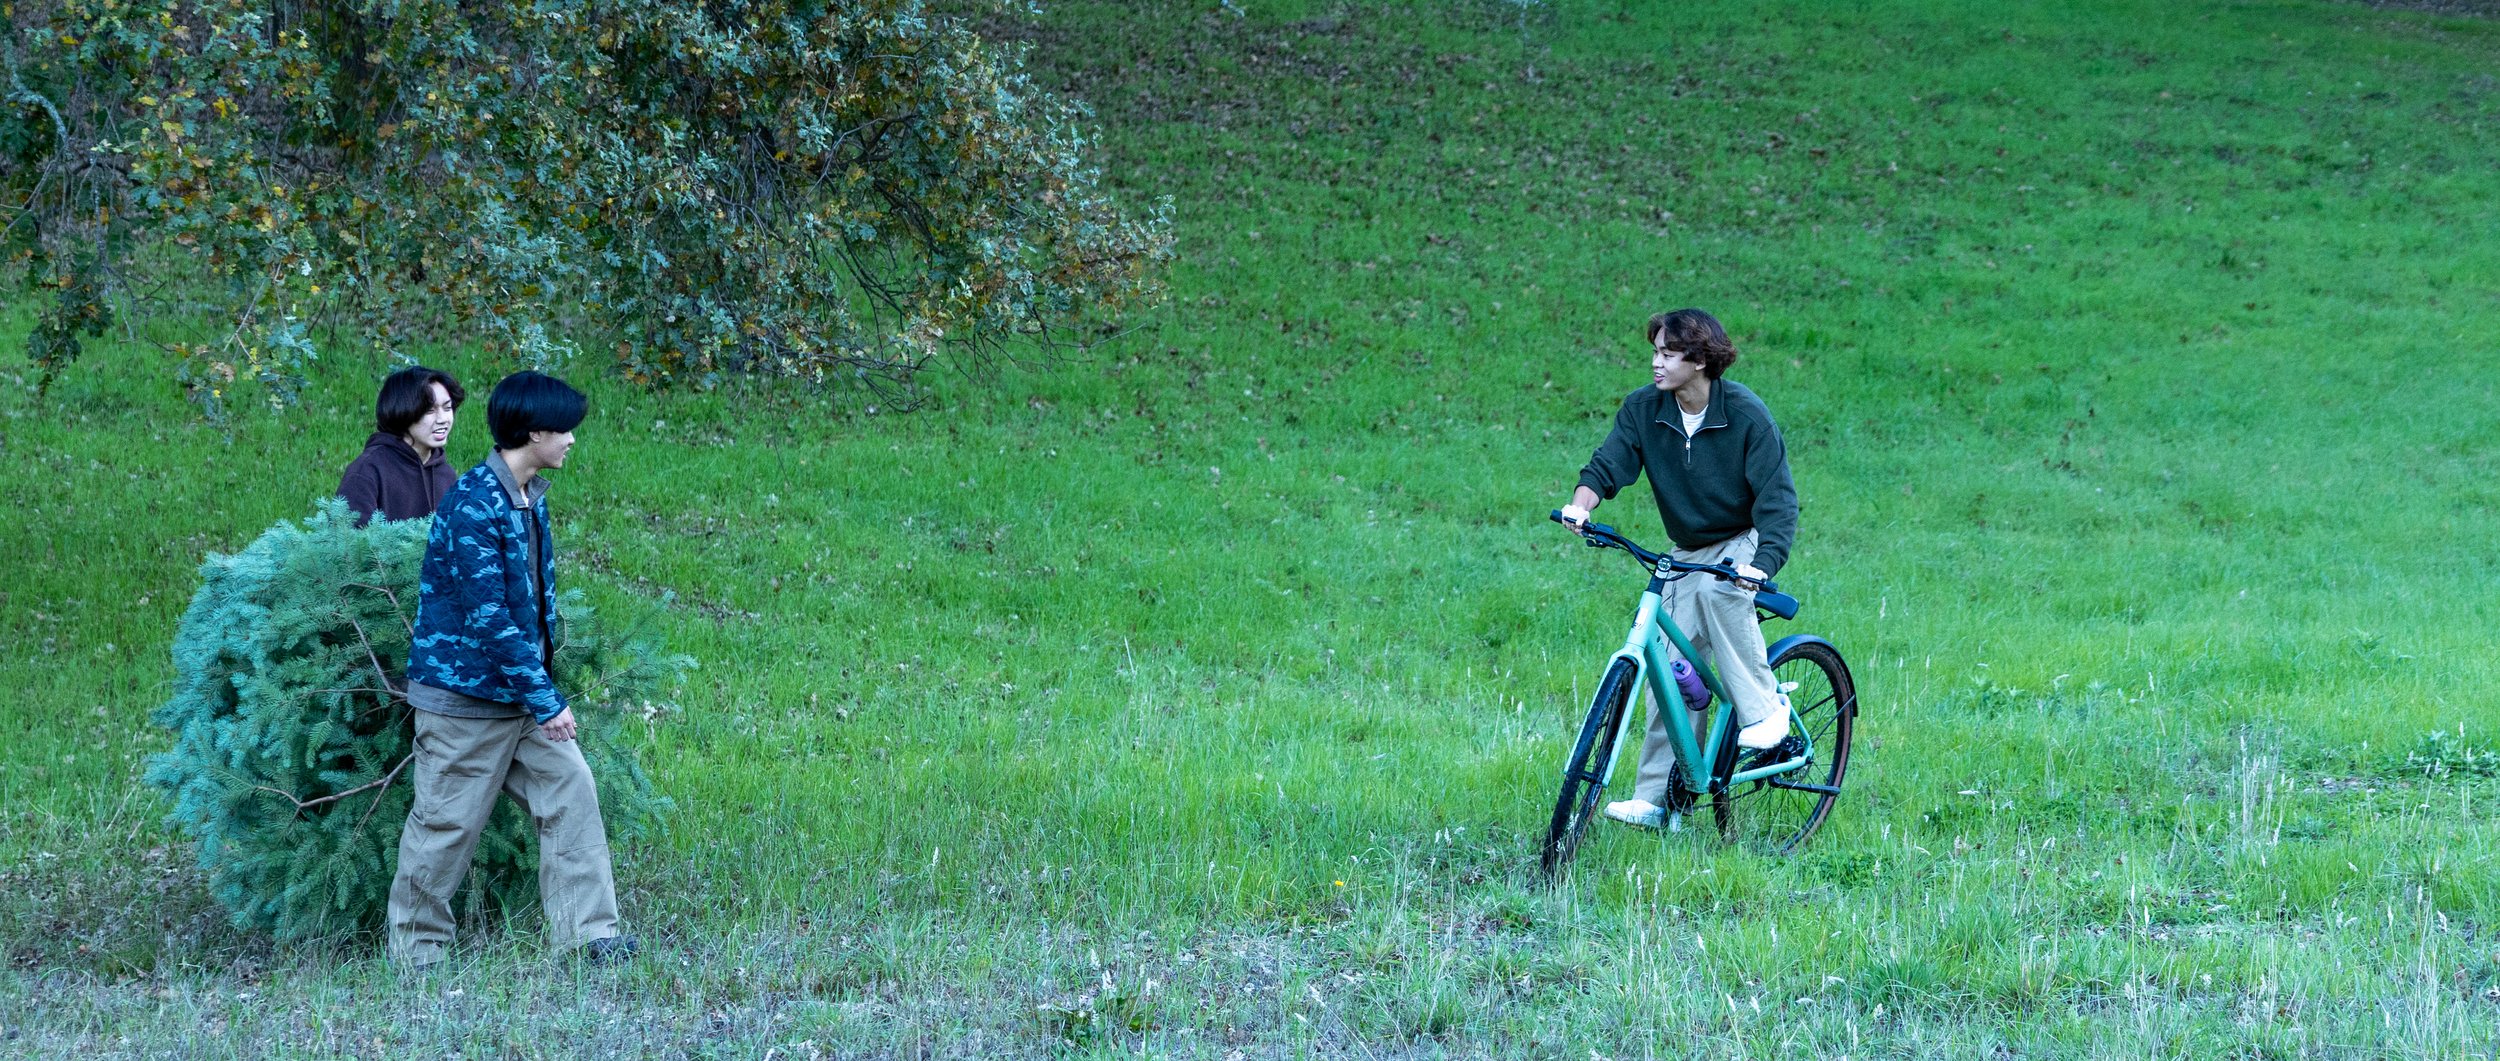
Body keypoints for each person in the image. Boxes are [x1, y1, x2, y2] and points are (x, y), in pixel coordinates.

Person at [388, 371, 636, 966]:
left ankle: (590, 938)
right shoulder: (475, 501)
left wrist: (536, 693)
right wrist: (548, 699)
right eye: (566, 429)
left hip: (516, 696)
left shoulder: (526, 496)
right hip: (464, 701)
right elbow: (489, 619)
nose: (573, 439)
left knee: (571, 789)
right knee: (446, 826)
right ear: (534, 432)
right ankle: (415, 951)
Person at [1559, 308, 1799, 830]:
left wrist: (1760, 565)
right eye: (1656, 352)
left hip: (1743, 539)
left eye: (1668, 354)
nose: (1656, 363)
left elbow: (1778, 503)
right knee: (1668, 669)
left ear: (1700, 360)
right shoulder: (1646, 410)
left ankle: (1765, 712)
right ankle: (1658, 796)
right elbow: (1607, 464)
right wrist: (1583, 505)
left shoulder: (1746, 415)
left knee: (1721, 597)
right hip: (1687, 549)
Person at [338, 366, 465, 525]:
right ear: (403, 412)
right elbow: (348, 542)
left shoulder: (446, 475)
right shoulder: (367, 471)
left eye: (447, 408)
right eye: (429, 411)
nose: (443, 419)